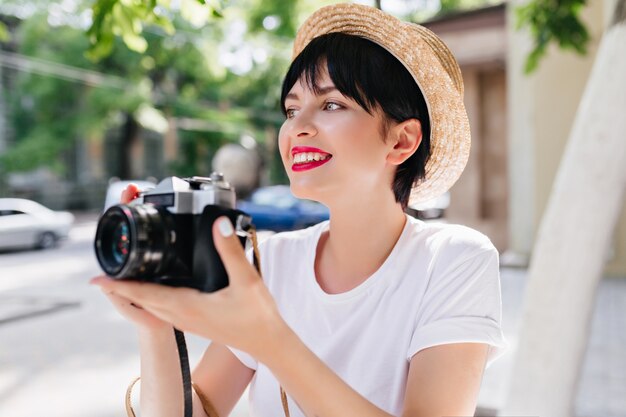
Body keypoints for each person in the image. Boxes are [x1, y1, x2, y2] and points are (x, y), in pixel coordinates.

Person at [91, 3, 508, 417]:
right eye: (291, 110)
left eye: (331, 105)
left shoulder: (455, 258)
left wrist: (269, 339)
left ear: (401, 141)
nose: (297, 128)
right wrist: (158, 327)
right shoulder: (271, 260)